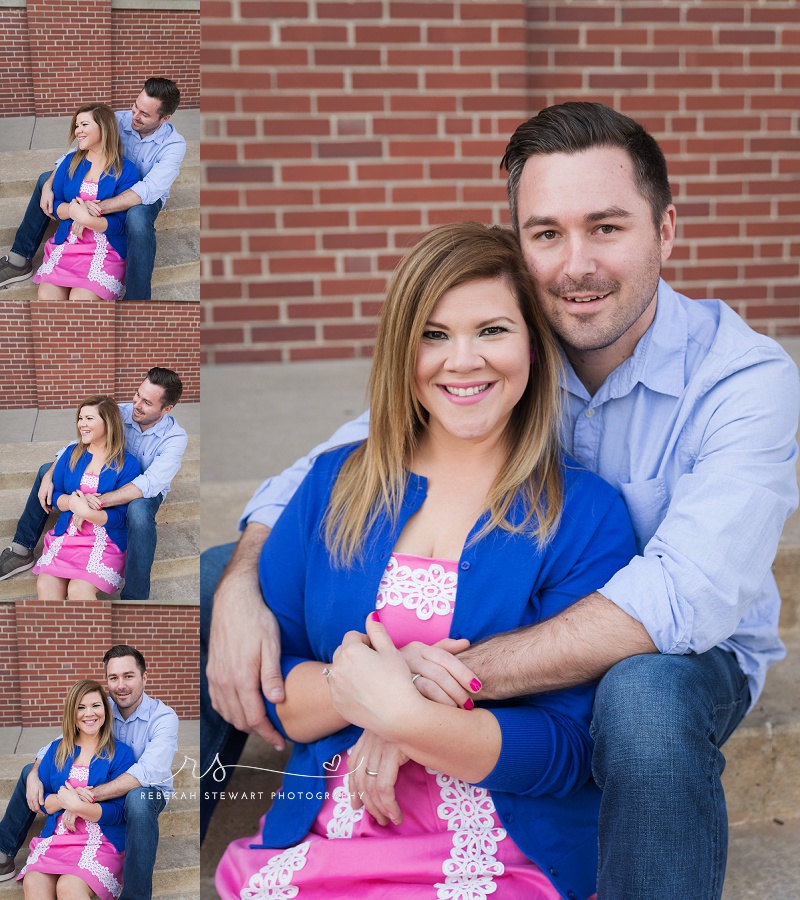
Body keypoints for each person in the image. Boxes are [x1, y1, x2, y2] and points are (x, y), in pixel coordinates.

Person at [201, 102, 800, 897]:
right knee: (208, 584)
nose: (576, 264)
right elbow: (351, 458)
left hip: (686, 650)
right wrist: (245, 576)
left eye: (608, 228)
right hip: (487, 635)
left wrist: (411, 697)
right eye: (547, 233)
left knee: (644, 700)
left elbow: (679, 598)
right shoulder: (507, 337)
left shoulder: (742, 381)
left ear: (666, 231)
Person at [214, 222, 637, 898]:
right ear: (401, 352)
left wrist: (408, 718)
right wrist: (390, 680)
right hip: (330, 835)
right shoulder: (332, 486)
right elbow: (281, 700)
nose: (462, 361)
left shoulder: (586, 514)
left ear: (533, 343)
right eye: (434, 335)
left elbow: (569, 749)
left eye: (492, 330)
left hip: (505, 852)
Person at [0, 646, 179, 900]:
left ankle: (136, 895)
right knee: (32, 770)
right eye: (113, 678)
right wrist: (34, 773)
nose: (121, 685)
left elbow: (144, 773)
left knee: (137, 800)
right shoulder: (102, 706)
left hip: (146, 790)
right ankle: (4, 848)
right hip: (93, 790)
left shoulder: (163, 718)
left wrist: (82, 799)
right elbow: (61, 743)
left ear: (144, 678)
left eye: (129, 676)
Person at [0, 367, 187, 601]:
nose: (136, 404)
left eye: (147, 402)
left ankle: (135, 595)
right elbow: (79, 442)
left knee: (138, 512)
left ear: (166, 409)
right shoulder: (120, 412)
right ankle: (22, 547)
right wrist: (49, 477)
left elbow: (147, 483)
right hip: (104, 476)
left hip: (142, 489)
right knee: (44, 471)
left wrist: (91, 504)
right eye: (137, 394)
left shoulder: (175, 438)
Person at [0, 77, 185, 300]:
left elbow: (147, 190)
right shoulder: (117, 119)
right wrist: (49, 184)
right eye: (136, 106)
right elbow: (77, 152)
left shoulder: (174, 145)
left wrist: (89, 212)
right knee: (44, 180)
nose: (135, 116)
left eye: (145, 115)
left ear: (165, 118)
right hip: (103, 185)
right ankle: (20, 257)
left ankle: (138, 298)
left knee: (137, 218)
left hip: (143, 195)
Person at [17, 679, 135, 900]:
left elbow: (119, 812)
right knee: (34, 881)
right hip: (58, 838)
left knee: (69, 886)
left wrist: (79, 806)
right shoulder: (57, 750)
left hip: (100, 842)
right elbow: (43, 803)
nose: (89, 713)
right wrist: (65, 800)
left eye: (95, 705)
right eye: (81, 707)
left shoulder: (121, 753)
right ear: (72, 713)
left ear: (106, 710)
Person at [33, 395, 141, 602]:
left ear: (108, 423)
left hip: (104, 541)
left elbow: (121, 517)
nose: (82, 424)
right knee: (45, 584)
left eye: (89, 418)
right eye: (80, 418)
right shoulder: (72, 453)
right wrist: (72, 502)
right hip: (68, 535)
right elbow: (55, 496)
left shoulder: (127, 464)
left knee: (78, 591)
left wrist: (87, 512)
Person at [32, 104, 139, 301]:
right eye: (76, 125)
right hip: (68, 243)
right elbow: (55, 205)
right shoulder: (70, 162)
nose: (77, 130)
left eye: (84, 124)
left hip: (104, 249)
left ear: (104, 128)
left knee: (81, 300)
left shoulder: (127, 170)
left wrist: (88, 219)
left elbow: (122, 222)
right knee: (47, 295)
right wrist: (74, 210)